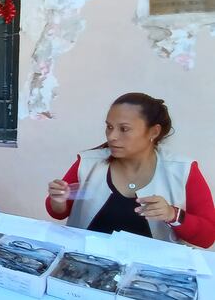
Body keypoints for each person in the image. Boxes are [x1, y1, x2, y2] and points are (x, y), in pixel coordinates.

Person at [46, 92, 215, 248]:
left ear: (154, 132)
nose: (112, 136)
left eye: (124, 129)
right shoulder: (88, 163)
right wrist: (58, 199)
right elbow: (57, 212)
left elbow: (207, 237)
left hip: (151, 275)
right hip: (88, 266)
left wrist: (173, 214)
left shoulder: (182, 170)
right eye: (109, 127)